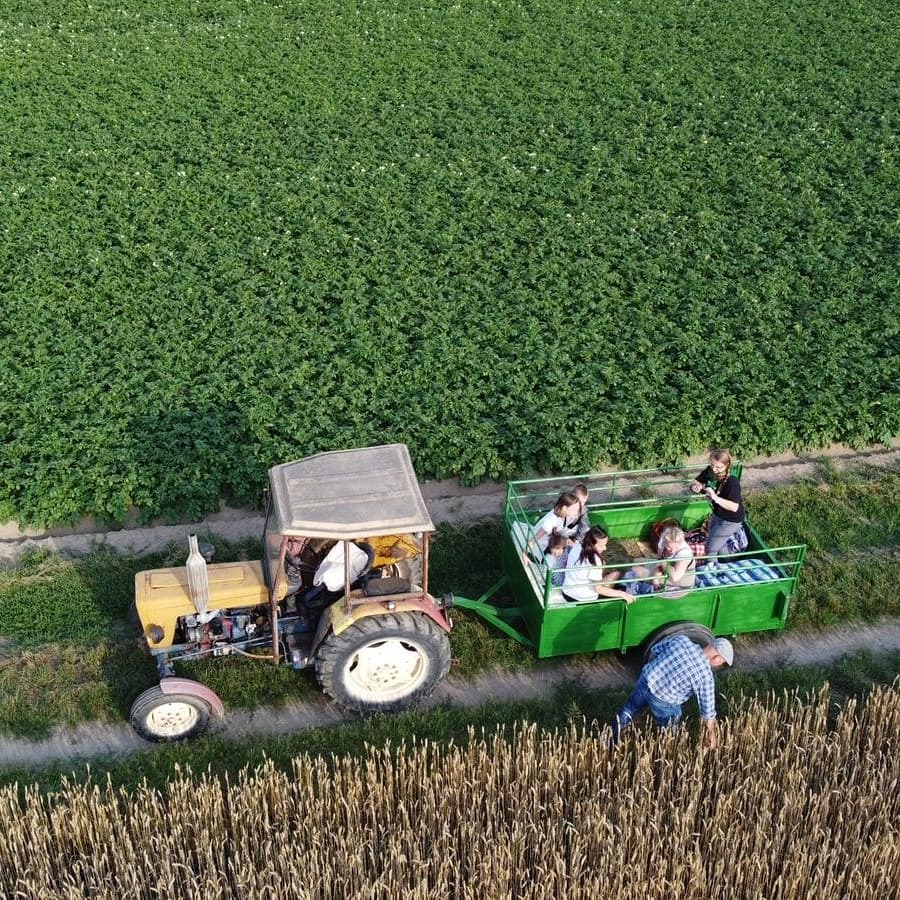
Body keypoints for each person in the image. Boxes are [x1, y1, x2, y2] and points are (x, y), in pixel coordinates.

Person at [612, 634, 734, 750]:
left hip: (645, 679)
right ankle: (665, 752)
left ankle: (610, 741)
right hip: (663, 700)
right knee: (670, 731)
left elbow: (655, 650)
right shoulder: (705, 677)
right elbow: (707, 714)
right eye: (721, 663)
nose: (718, 665)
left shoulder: (682, 641)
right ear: (717, 658)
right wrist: (711, 739)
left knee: (629, 709)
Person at [690, 449, 745, 559]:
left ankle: (710, 571)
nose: (714, 470)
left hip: (730, 520)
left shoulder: (732, 482)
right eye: (712, 465)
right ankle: (727, 563)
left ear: (727, 465)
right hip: (717, 514)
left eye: (718, 467)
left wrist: (715, 498)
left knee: (710, 548)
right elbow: (698, 481)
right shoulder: (710, 471)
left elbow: (734, 507)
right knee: (718, 544)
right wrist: (696, 487)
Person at [562, 526, 635, 604]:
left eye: (605, 544)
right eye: (601, 545)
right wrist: (623, 594)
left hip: (567, 593)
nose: (605, 548)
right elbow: (598, 589)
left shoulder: (576, 547)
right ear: (591, 544)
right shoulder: (594, 560)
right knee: (616, 573)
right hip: (584, 599)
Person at [623, 524, 696, 596]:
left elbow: (675, 577)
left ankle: (623, 583)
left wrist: (657, 576)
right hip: (665, 569)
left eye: (676, 548)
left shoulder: (684, 554)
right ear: (664, 541)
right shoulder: (662, 543)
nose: (672, 551)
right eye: (669, 547)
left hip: (679, 582)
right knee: (636, 561)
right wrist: (658, 571)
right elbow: (661, 560)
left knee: (635, 569)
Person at [520, 491, 582, 562]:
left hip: (549, 545)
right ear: (565, 508)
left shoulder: (561, 514)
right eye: (574, 509)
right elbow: (533, 540)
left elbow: (557, 532)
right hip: (538, 550)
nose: (577, 512)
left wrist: (566, 539)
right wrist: (525, 554)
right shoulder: (551, 521)